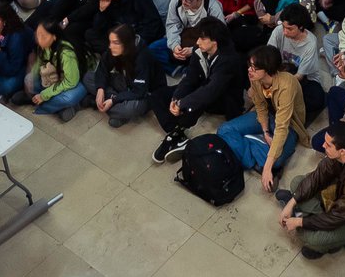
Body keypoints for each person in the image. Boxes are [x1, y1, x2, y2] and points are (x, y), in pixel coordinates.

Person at [276, 122, 345, 260]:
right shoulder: (344, 149)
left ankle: (324, 240)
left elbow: (336, 217)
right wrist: (292, 203)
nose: (323, 146)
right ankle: (304, 214)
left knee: (314, 240)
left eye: (328, 145)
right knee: (297, 182)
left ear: (342, 151)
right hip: (340, 196)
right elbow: (317, 177)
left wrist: (298, 222)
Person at [217, 44, 310, 192]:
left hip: (289, 125)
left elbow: (282, 126)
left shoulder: (287, 84)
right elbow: (260, 107)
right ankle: (256, 154)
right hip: (267, 116)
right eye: (249, 65)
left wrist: (267, 168)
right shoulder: (255, 78)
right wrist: (266, 132)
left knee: (276, 160)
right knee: (224, 129)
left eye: (254, 67)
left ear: (268, 70)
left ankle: (249, 149)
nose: (249, 70)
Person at [150, 16, 243, 163]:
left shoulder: (229, 60)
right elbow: (190, 78)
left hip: (224, 98)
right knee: (157, 96)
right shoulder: (199, 51)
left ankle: (173, 137)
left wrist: (183, 103)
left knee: (194, 102)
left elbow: (211, 90)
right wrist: (176, 98)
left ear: (215, 41)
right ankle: (177, 134)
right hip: (204, 86)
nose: (197, 42)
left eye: (202, 38)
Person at [83, 23, 162, 127]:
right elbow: (102, 68)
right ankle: (113, 108)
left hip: (144, 93)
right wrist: (100, 88)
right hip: (125, 82)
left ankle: (105, 105)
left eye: (115, 43)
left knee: (129, 109)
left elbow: (139, 91)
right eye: (110, 42)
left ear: (127, 43)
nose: (111, 46)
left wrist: (114, 100)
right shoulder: (114, 50)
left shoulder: (143, 58)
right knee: (88, 77)